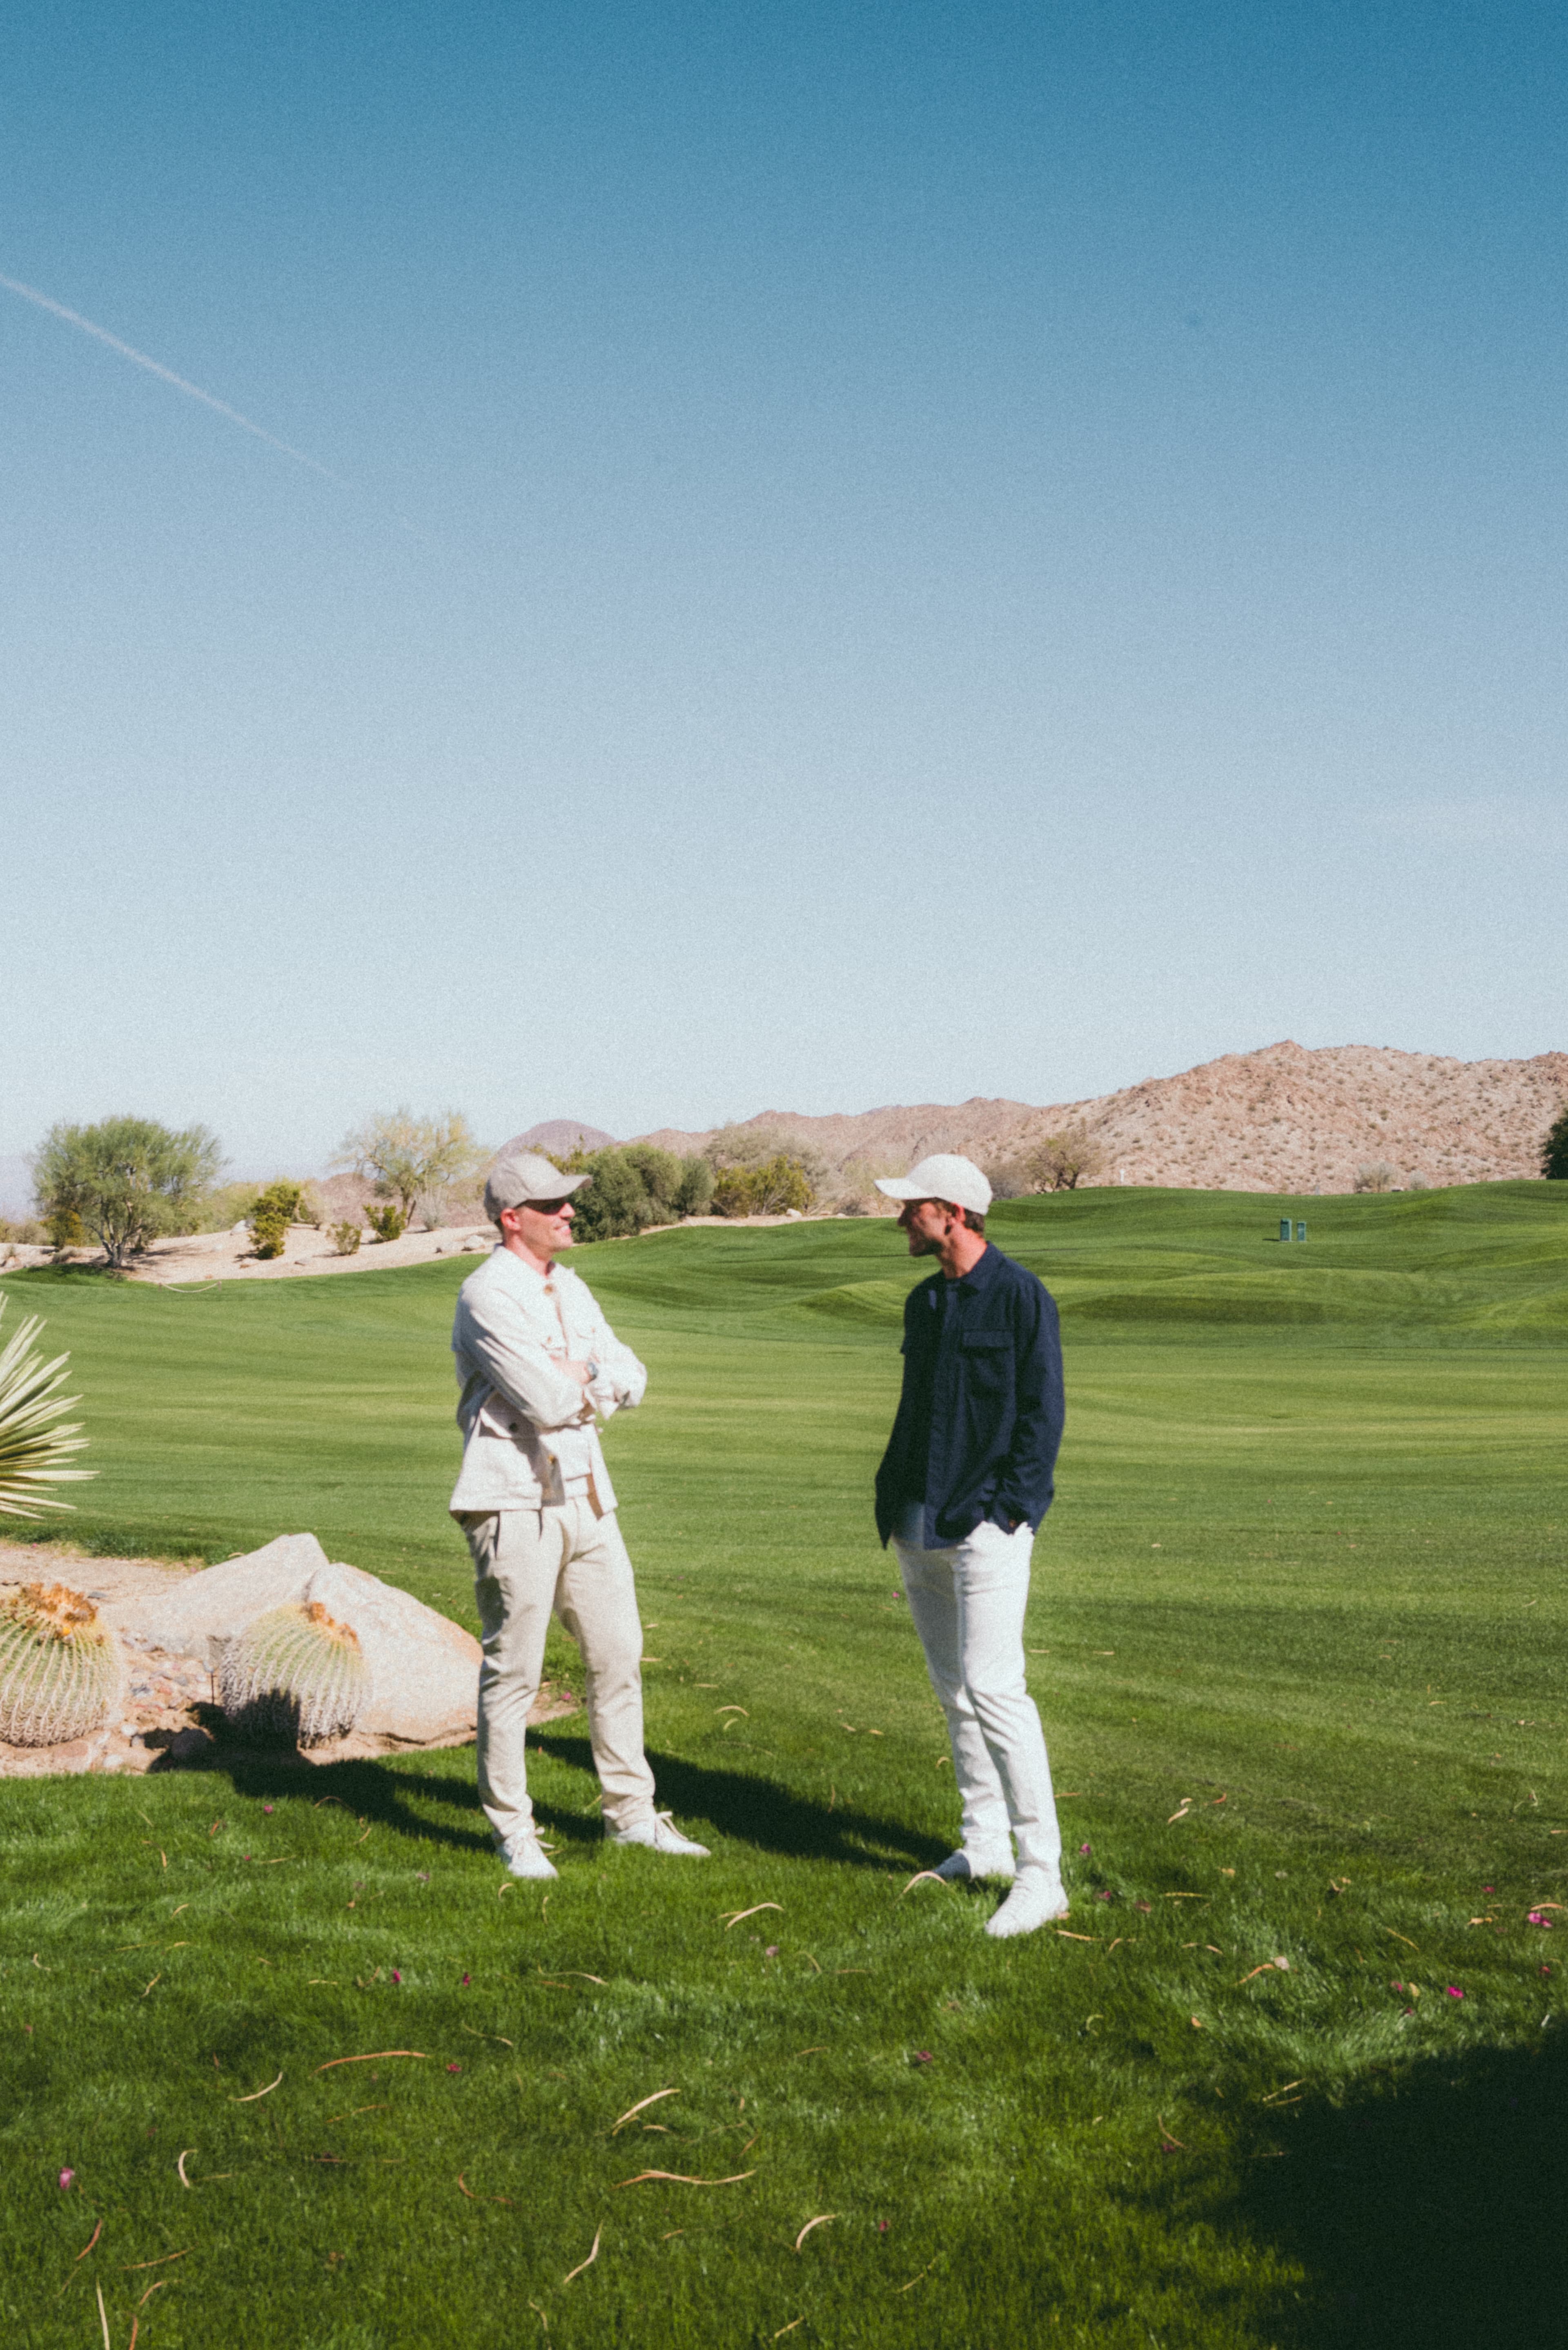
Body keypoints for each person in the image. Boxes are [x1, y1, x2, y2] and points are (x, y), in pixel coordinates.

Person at [449, 1147, 709, 1878]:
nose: (570, 1212)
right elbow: (545, 1402)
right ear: (512, 1219)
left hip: (590, 1494)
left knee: (618, 1653)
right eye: (554, 1204)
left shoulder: (573, 1286)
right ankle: (514, 1831)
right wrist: (586, 1383)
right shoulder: (486, 1296)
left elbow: (633, 1373)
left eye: (569, 1201)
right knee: (515, 1670)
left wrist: (588, 1371)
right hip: (514, 1498)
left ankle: (630, 1815)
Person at [873, 1153, 1069, 1938]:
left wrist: (1010, 1510)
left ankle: (1041, 1874)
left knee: (996, 1690)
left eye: (912, 1207)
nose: (900, 1220)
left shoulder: (1021, 1297)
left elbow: (1041, 1416)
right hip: (918, 1518)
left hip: (985, 1524)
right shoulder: (924, 1302)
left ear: (953, 1212)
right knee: (954, 1689)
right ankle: (984, 1843)